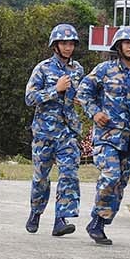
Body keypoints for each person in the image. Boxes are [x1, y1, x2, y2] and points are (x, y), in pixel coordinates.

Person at [76, 25, 130, 246]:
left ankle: (101, 220)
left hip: (129, 139)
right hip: (107, 136)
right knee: (110, 175)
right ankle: (97, 221)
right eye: (127, 43)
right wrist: (95, 112)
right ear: (118, 46)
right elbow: (83, 91)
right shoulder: (104, 69)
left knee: (120, 184)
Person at [23, 23, 85, 236]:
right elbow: (29, 98)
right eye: (63, 43)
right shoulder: (42, 69)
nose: (68, 47)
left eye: (71, 44)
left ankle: (61, 219)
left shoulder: (78, 70)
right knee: (41, 177)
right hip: (44, 132)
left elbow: (80, 94)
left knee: (69, 173)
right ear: (55, 45)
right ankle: (36, 211)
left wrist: (80, 99)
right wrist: (55, 90)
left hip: (67, 131)